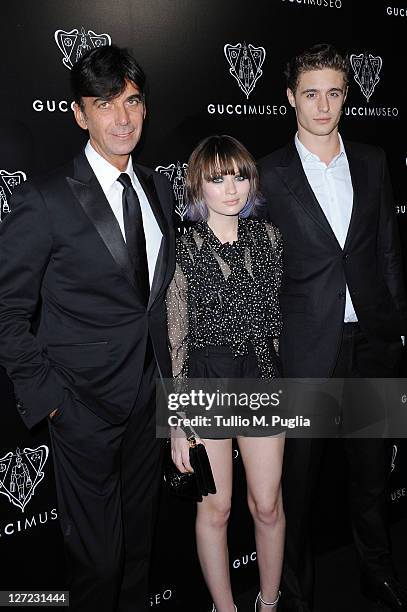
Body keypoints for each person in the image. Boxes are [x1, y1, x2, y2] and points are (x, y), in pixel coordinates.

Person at [0, 44, 175, 611]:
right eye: (104, 104)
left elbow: (154, 301)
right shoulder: (45, 199)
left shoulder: (158, 189)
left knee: (139, 551)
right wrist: (50, 400)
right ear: (79, 114)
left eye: (131, 101)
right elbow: (5, 310)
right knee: (98, 564)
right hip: (83, 410)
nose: (122, 118)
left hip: (149, 405)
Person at [258, 44, 407, 612]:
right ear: (291, 98)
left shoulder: (372, 160)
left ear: (347, 96)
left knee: (372, 476)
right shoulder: (268, 172)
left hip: (372, 343)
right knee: (295, 485)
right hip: (305, 352)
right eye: (312, 93)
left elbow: (388, 251)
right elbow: (260, 269)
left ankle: (378, 572)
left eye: (335, 93)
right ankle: (294, 593)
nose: (324, 105)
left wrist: (395, 330)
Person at [166, 135, 285, 612]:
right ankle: (224, 608)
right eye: (217, 179)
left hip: (260, 376)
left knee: (268, 505)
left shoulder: (270, 238)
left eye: (238, 175)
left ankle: (270, 603)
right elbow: (175, 337)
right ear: (198, 186)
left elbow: (275, 323)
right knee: (215, 509)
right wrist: (176, 420)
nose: (230, 188)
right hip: (204, 381)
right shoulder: (181, 248)